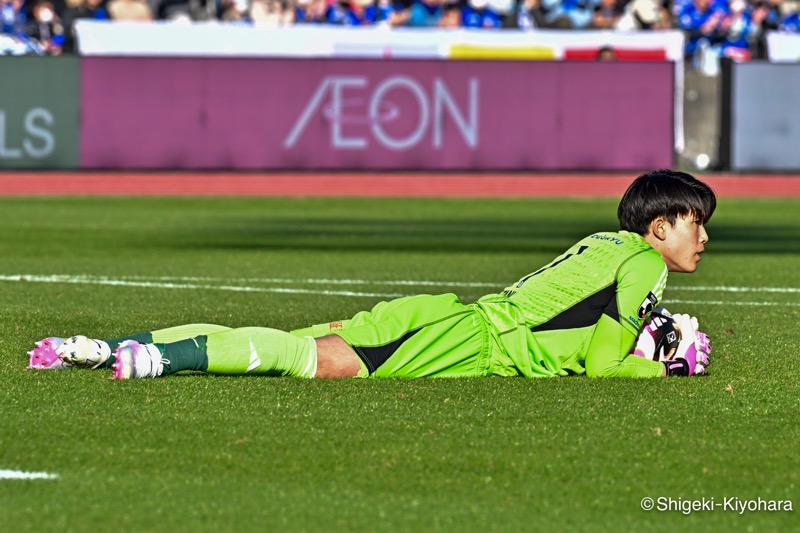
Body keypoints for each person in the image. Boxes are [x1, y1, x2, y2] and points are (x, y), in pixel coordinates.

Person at [28, 169, 715, 381]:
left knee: (270, 335)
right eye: (694, 221)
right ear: (658, 228)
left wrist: (648, 339)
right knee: (308, 360)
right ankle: (152, 360)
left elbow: (576, 328)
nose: (704, 236)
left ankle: (107, 345)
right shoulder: (642, 265)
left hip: (452, 318)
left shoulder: (607, 240)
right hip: (462, 339)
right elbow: (599, 363)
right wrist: (666, 367)